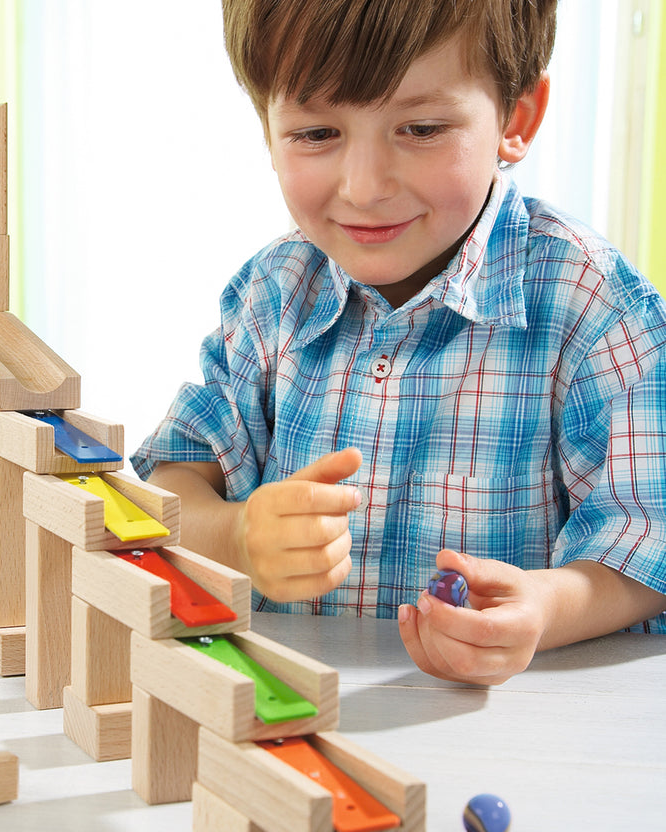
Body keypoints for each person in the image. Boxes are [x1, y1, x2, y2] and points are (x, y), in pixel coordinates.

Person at [131, 0, 666, 685]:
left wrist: (545, 607)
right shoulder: (271, 293)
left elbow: (645, 549)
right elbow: (172, 484)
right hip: (291, 708)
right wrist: (235, 536)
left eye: (420, 128)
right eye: (317, 132)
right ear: (268, 131)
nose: (365, 186)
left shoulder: (591, 306)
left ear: (516, 118)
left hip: (500, 725)